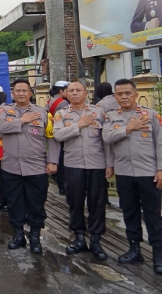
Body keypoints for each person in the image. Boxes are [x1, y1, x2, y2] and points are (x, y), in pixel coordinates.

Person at [103, 79, 162, 275]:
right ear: (115, 96)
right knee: (129, 213)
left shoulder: (151, 115)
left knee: (153, 215)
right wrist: (129, 128)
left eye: (127, 93)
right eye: (119, 94)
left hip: (149, 173)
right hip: (124, 173)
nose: (123, 97)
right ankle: (135, 249)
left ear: (136, 94)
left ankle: (159, 254)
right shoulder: (110, 117)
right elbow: (107, 138)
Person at [0, 79, 59, 254]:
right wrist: (21, 121)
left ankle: (35, 237)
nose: (21, 93)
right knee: (14, 202)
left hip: (37, 167)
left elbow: (52, 139)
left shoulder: (43, 113)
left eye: (25, 90)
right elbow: (0, 128)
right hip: (11, 166)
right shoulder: (4, 111)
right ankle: (18, 236)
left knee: (36, 203)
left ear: (30, 93)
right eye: (18, 91)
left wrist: (53, 161)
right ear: (13, 93)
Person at [53, 81, 112, 260]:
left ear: (86, 93)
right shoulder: (61, 114)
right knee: (75, 201)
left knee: (97, 203)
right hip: (73, 164)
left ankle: (95, 239)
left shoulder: (99, 113)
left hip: (97, 164)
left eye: (79, 90)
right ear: (66, 94)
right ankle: (79, 237)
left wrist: (109, 164)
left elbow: (107, 141)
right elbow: (58, 135)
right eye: (71, 91)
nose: (75, 93)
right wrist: (79, 125)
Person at [47, 81, 69, 195]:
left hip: (52, 132)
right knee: (63, 161)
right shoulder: (64, 103)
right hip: (61, 132)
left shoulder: (50, 101)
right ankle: (64, 186)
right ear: (61, 91)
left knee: (58, 159)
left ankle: (60, 186)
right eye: (67, 90)